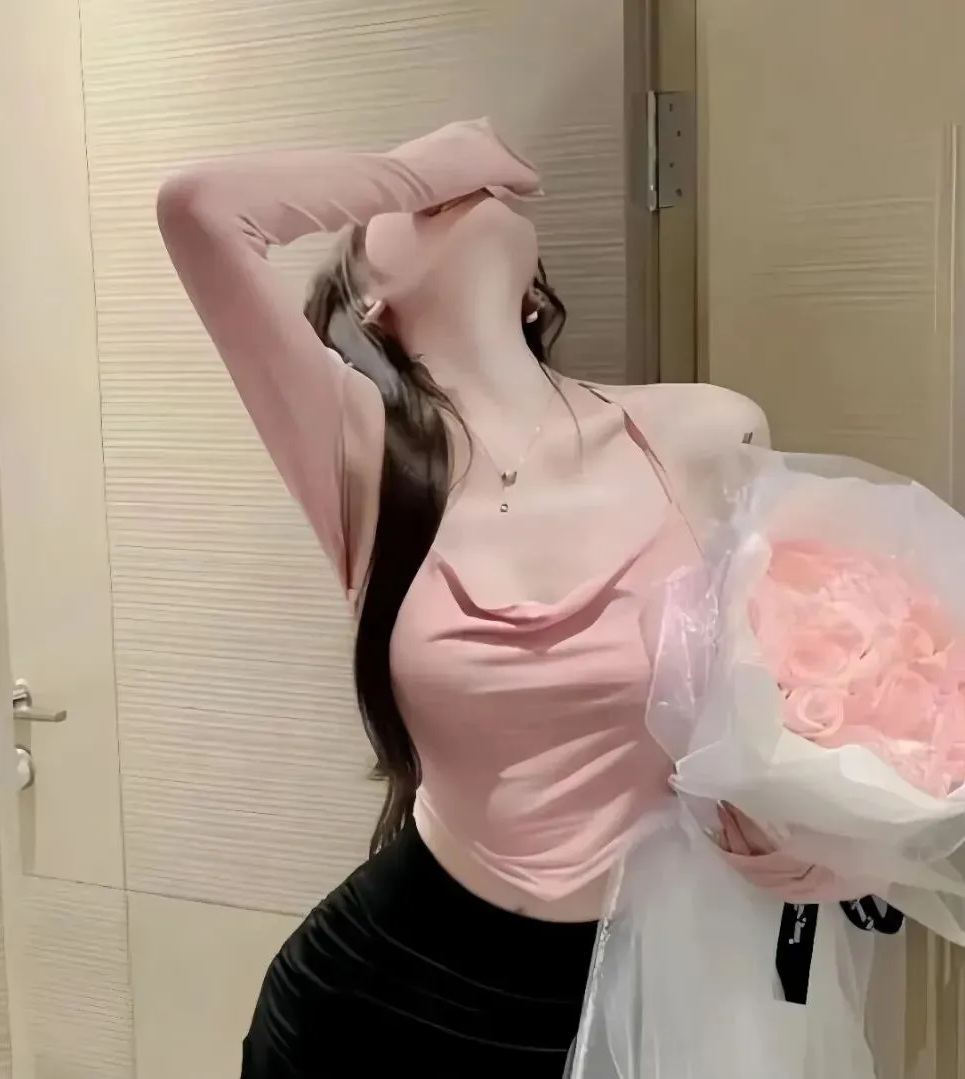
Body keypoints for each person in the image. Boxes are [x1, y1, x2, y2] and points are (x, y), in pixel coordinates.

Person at [157, 119, 839, 1079]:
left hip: (629, 996)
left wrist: (824, 835)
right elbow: (199, 209)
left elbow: (797, 690)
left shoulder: (704, 429)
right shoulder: (363, 454)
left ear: (531, 286)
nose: (455, 192)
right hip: (373, 1005)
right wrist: (417, 170)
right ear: (371, 303)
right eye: (412, 205)